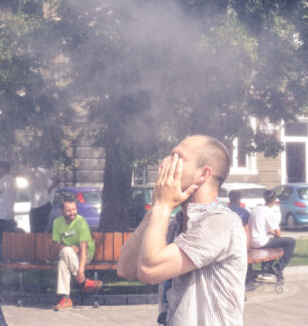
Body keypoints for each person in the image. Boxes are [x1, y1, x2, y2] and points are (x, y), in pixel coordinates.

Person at [117, 135, 247, 326]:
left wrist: (162, 206)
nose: (165, 164)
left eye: (177, 157)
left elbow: (149, 271)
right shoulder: (174, 225)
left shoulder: (221, 222)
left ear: (202, 175)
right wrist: (156, 207)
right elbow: (125, 269)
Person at [51, 195, 102, 311]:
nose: (72, 213)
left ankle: (66, 298)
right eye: (68, 210)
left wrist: (80, 270)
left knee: (62, 262)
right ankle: (83, 283)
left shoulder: (81, 222)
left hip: (85, 254)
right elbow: (56, 246)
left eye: (74, 209)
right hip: (68, 254)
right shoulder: (57, 223)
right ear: (62, 211)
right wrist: (71, 247)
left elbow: (83, 249)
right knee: (65, 254)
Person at [248, 190, 295, 280]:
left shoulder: (256, 208)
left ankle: (267, 265)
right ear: (274, 200)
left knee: (275, 242)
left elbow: (262, 227)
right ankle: (278, 267)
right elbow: (278, 234)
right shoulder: (269, 212)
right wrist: (273, 232)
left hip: (251, 241)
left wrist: (270, 232)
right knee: (291, 242)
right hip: (260, 242)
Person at [28, 166, 59, 233]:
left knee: (38, 231)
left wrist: (48, 190)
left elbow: (57, 180)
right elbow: (57, 180)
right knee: (41, 231)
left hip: (42, 205)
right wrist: (49, 189)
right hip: (41, 205)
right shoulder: (44, 173)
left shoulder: (41, 172)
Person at [0, 160, 18, 234]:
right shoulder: (13, 179)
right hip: (10, 213)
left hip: (2, 214)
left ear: (2, 169)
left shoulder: (4, 179)